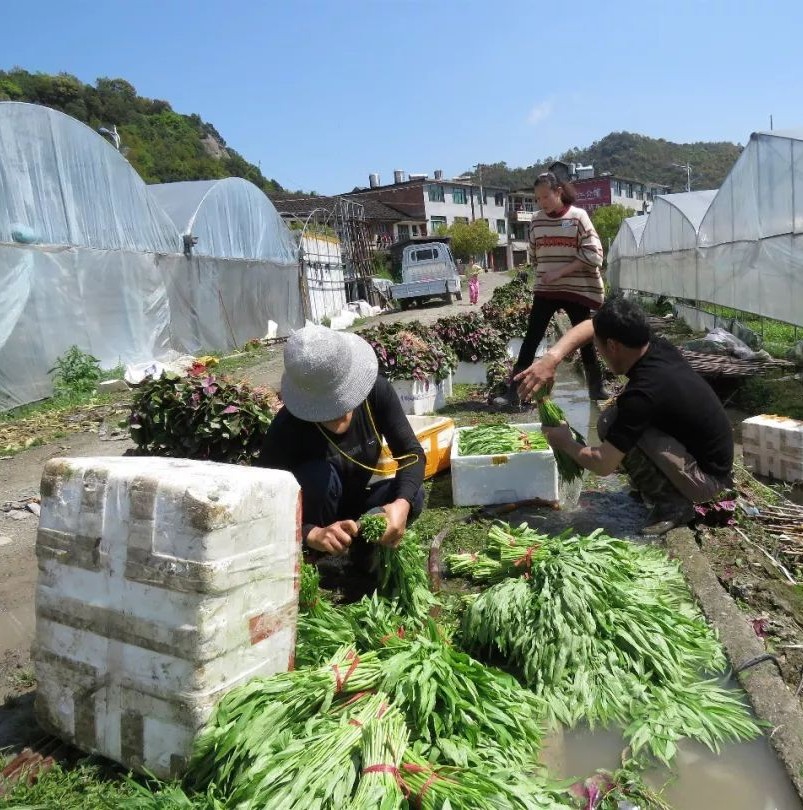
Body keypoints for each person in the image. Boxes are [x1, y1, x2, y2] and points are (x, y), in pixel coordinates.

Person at [516, 296, 734, 536]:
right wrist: (552, 359)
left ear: (612, 346)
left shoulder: (642, 393)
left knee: (611, 423)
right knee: (615, 418)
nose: (597, 351)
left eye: (598, 347)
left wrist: (565, 442)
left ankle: (673, 506)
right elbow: (591, 327)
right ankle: (654, 490)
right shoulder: (654, 346)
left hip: (705, 479)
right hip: (709, 459)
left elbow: (603, 464)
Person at [257, 324, 425, 562]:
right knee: (318, 477)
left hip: (361, 506)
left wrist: (400, 505)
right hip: (317, 522)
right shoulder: (287, 427)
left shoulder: (376, 393)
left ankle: (364, 551)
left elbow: (411, 454)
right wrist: (309, 533)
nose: (339, 412)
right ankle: (318, 557)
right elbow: (264, 500)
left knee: (413, 492)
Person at [500, 171, 608, 406]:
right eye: (538, 199)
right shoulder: (536, 220)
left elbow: (594, 253)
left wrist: (559, 272)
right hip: (546, 290)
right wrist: (546, 270)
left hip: (576, 289)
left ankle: (596, 389)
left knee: (584, 340)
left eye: (545, 197)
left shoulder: (578, 217)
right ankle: (514, 392)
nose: (542, 203)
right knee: (532, 338)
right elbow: (533, 253)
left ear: (559, 192)